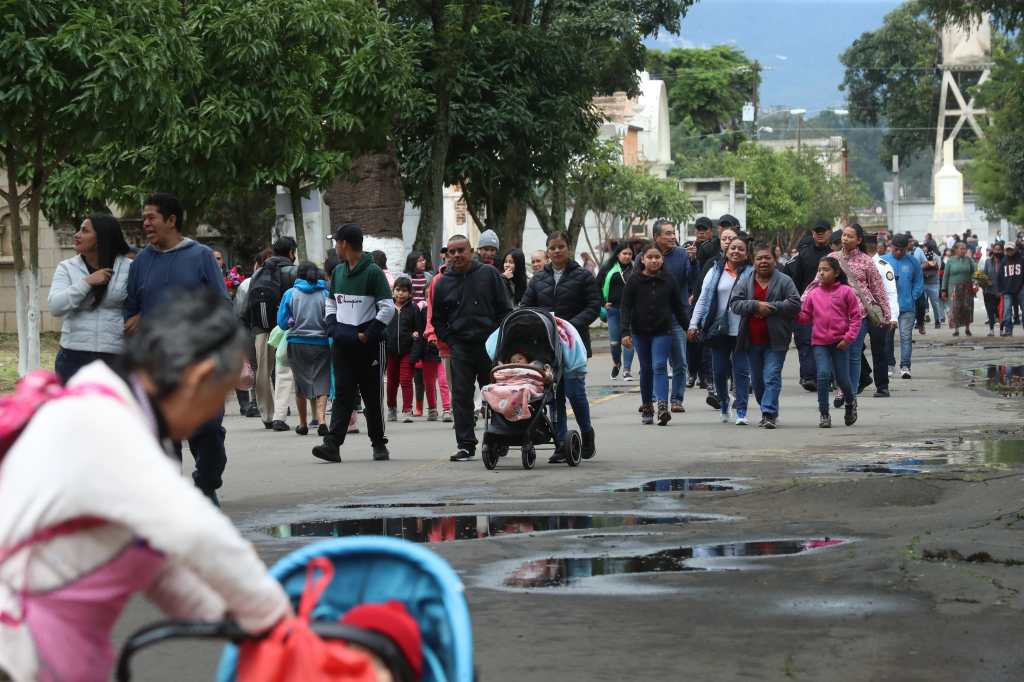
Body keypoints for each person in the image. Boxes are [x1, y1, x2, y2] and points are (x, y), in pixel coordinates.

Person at [0, 292, 289, 682]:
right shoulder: (103, 425)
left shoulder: (114, 414)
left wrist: (227, 616)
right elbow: (196, 532)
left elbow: (156, 563)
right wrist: (280, 619)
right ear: (200, 378)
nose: (214, 411)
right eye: (220, 396)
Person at [123, 193, 229, 504]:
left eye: (151, 217)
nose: (145, 223)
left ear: (171, 220)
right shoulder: (141, 262)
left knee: (207, 429)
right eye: (144, 217)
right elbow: (131, 310)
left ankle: (207, 482)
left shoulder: (201, 256)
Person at [312, 223, 395, 463]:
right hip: (343, 342)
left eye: (336, 242)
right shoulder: (338, 272)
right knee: (343, 395)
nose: (335, 246)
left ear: (345, 244)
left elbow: (387, 309)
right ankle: (332, 445)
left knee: (371, 395)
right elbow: (331, 303)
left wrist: (368, 334)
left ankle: (379, 444)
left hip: (369, 345)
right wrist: (331, 326)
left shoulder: (373, 273)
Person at [520, 231, 601, 460]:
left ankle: (586, 432)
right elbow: (526, 306)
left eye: (561, 247)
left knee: (575, 394)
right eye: (553, 247)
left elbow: (593, 306)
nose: (557, 251)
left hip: (574, 344)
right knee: (554, 396)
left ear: (569, 249)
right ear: (548, 250)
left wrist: (569, 325)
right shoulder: (538, 279)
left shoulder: (583, 276)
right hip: (547, 347)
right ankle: (561, 444)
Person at [432, 234, 512, 461]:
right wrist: (450, 339)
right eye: (452, 251)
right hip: (461, 348)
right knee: (461, 397)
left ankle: (501, 437)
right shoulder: (443, 282)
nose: (457, 255)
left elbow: (504, 309)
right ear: (447, 254)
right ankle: (466, 444)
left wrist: (498, 339)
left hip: (489, 346)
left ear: (471, 250)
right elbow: (437, 319)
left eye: (461, 250)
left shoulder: (489, 275)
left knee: (497, 394)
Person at [811, 224, 890, 406]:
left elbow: (878, 289)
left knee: (853, 355)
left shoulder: (866, 261)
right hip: (832, 314)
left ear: (859, 240)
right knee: (836, 353)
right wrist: (803, 302)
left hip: (859, 314)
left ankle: (849, 394)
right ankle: (842, 387)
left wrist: (887, 314)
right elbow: (816, 282)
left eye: (850, 236)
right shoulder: (831, 259)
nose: (845, 239)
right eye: (844, 235)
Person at [47, 213, 132, 383]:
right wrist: (87, 282)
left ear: (101, 237)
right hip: (73, 354)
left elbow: (140, 305)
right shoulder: (67, 267)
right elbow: (55, 306)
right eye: (79, 230)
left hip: (114, 354)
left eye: (84, 231)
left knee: (110, 408)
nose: (76, 235)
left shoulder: (129, 268)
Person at [729, 242, 800, 429]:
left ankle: (768, 413)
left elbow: (795, 304)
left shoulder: (785, 281)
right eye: (759, 258)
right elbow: (735, 304)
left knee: (771, 376)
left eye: (767, 258)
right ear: (753, 261)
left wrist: (771, 308)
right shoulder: (745, 281)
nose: (763, 261)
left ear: (774, 260)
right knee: (758, 382)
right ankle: (769, 409)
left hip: (776, 340)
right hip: (751, 340)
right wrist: (754, 305)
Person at [620, 243, 688, 426]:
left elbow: (678, 307)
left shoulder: (669, 280)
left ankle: (663, 408)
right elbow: (625, 308)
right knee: (646, 368)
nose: (654, 260)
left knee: (659, 366)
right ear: (642, 260)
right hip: (640, 332)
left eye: (657, 257)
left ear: (662, 259)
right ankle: (647, 407)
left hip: (662, 331)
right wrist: (625, 331)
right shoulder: (634, 280)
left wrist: (688, 327)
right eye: (649, 257)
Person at [688, 238, 751, 425]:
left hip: (742, 330)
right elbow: (703, 300)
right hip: (719, 330)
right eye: (733, 248)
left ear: (746, 253)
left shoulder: (751, 273)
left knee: (741, 372)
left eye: (741, 249)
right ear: (726, 251)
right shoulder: (715, 272)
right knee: (720, 372)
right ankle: (724, 402)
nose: (736, 251)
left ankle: (741, 411)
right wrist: (693, 324)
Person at [797, 256, 862, 428]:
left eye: (826, 270)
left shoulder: (846, 292)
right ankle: (824, 414)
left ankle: (850, 402)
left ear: (836, 273)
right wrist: (795, 312)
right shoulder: (813, 294)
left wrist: (848, 338)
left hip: (840, 343)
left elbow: (856, 318)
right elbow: (805, 317)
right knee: (823, 375)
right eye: (819, 270)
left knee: (842, 379)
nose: (821, 273)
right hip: (820, 343)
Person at [246, 237, 298, 430]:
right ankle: (288, 414)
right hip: (286, 328)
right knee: (288, 371)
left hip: (261, 328)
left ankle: (267, 414)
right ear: (291, 252)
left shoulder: (259, 273)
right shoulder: (293, 272)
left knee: (263, 372)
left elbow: (247, 306)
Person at [277, 261, 331, 436]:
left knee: (301, 384)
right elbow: (331, 320)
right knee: (322, 382)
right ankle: (322, 420)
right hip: (322, 343)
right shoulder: (325, 293)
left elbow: (282, 323)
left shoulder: (290, 294)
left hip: (297, 343)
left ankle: (302, 424)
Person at [785, 220, 834, 392]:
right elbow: (792, 280)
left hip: (830, 308)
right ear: (812, 233)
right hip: (805, 306)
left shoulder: (835, 255)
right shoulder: (802, 255)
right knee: (804, 342)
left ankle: (826, 378)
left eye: (823, 231)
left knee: (827, 343)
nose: (819, 234)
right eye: (816, 231)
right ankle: (808, 376)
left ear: (830, 232)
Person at [651, 220, 691, 413]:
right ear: (656, 237)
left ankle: (676, 399)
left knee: (680, 362)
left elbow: (692, 281)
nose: (672, 237)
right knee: (656, 363)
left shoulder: (683, 255)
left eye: (673, 233)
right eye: (667, 233)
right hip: (652, 319)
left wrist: (694, 261)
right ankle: (658, 400)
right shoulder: (646, 256)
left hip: (676, 317)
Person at [234, 248, 271, 417]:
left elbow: (240, 311)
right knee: (275, 369)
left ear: (257, 263)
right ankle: (278, 404)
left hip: (251, 329)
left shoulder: (247, 284)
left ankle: (256, 402)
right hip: (275, 329)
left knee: (255, 367)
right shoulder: (279, 280)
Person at [882, 234, 924, 378]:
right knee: (887, 337)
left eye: (902, 250)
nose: (899, 253)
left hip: (907, 306)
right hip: (888, 307)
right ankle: (889, 364)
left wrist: (914, 295)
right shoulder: (883, 261)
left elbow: (919, 281)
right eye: (896, 249)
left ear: (907, 248)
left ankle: (905, 365)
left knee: (906, 337)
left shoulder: (913, 262)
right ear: (891, 247)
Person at [385, 277, 422, 423]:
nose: (400, 294)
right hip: (390, 351)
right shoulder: (387, 308)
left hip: (408, 351)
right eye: (398, 290)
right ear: (393, 291)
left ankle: (407, 409)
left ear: (410, 293)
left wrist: (415, 352)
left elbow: (419, 332)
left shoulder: (414, 309)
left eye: (404, 291)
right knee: (391, 382)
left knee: (406, 380)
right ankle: (391, 408)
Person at [686, 217, 715, 390]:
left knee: (707, 341)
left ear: (711, 230)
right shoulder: (689, 247)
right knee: (692, 338)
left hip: (709, 298)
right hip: (692, 299)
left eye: (704, 229)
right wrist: (692, 259)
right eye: (698, 229)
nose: (701, 232)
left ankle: (706, 376)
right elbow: (688, 276)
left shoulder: (716, 249)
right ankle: (692, 372)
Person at [403, 252, 433, 418]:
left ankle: (431, 406)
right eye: (419, 260)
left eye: (424, 259)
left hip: (426, 317)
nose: (423, 262)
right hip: (412, 318)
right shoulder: (406, 277)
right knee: (415, 365)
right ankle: (417, 405)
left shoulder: (429, 276)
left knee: (426, 368)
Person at [869, 236, 899, 397]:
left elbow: (890, 293)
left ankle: (882, 386)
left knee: (879, 350)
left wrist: (893, 316)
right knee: (854, 348)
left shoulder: (883, 266)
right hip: (857, 312)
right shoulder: (852, 263)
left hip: (877, 313)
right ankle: (861, 377)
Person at [600, 244, 635, 381]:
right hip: (613, 311)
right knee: (615, 342)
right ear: (618, 254)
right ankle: (617, 363)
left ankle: (627, 370)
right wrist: (602, 303)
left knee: (628, 340)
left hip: (631, 310)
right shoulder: (608, 269)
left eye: (630, 254)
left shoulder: (635, 269)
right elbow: (596, 286)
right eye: (624, 253)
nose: (627, 256)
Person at [942, 241, 976, 336]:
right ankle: (956, 329)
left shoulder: (969, 260)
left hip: (967, 287)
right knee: (955, 308)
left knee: (967, 308)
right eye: (961, 249)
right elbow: (945, 276)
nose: (963, 250)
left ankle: (967, 328)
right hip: (954, 288)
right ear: (956, 250)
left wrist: (975, 284)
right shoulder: (950, 261)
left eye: (964, 249)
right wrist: (943, 289)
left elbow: (974, 272)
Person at [994, 240, 1024, 337]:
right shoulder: (1003, 261)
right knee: (1007, 310)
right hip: (1007, 289)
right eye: (1007, 250)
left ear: (1015, 249)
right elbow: (999, 276)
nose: (1009, 251)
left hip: (1020, 288)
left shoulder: (1021, 260)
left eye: (1011, 249)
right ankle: (1008, 329)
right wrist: (999, 289)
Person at [919, 240, 944, 332]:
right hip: (923, 283)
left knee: (935, 303)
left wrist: (928, 265)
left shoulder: (936, 257)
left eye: (925, 246)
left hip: (933, 283)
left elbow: (938, 267)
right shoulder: (921, 256)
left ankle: (937, 321)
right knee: (921, 304)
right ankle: (920, 322)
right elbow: (918, 266)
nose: (923, 248)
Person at [981, 242, 1003, 336]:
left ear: (1002, 251)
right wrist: (985, 281)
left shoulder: (1004, 261)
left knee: (1001, 312)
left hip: (1001, 291)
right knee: (990, 311)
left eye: (999, 249)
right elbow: (984, 275)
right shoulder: (988, 262)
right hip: (989, 291)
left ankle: (1002, 330)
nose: (997, 251)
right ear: (993, 250)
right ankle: (991, 330)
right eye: (996, 249)